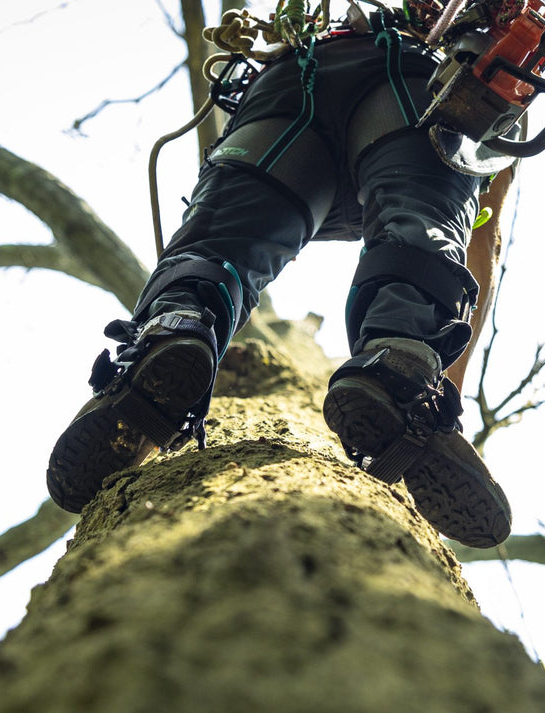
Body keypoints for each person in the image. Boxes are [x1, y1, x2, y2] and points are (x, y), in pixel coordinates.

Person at [46, 1, 512, 549]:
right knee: (420, 227)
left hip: (291, 83)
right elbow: (485, 240)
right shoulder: (475, 53)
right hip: (414, 84)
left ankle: (176, 325)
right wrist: (444, 393)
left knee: (219, 239)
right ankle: (401, 367)